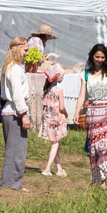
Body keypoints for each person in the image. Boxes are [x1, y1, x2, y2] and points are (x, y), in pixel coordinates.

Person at [80, 43, 107, 184]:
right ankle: (97, 179)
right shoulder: (86, 74)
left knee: (106, 147)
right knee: (95, 148)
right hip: (93, 113)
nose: (99, 60)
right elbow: (82, 95)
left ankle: (105, 179)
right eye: (97, 56)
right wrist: (77, 112)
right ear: (92, 56)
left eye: (102, 57)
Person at [0, 37, 32, 188]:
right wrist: (24, 115)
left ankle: (12, 182)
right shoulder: (15, 69)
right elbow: (17, 94)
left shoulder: (10, 67)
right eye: (25, 50)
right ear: (17, 49)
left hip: (10, 111)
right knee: (16, 151)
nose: (27, 54)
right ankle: (10, 183)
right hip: (14, 112)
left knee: (15, 149)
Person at [35, 46, 71, 176]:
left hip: (48, 119)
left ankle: (59, 168)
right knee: (55, 144)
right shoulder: (58, 90)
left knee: (56, 143)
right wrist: (66, 114)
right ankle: (47, 169)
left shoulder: (47, 90)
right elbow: (61, 107)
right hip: (57, 119)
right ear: (58, 77)